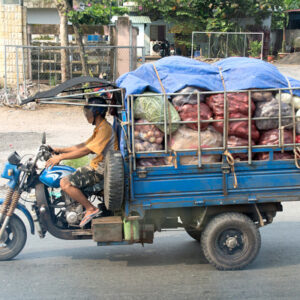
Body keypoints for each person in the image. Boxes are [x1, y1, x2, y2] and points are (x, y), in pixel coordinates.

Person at [45, 97, 118, 227]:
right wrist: (59, 150)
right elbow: (84, 145)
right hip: (99, 166)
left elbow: (85, 151)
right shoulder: (100, 128)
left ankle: (91, 209)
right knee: (68, 176)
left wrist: (60, 157)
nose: (86, 114)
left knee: (65, 183)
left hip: (101, 170)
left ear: (96, 112)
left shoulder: (105, 129)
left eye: (87, 111)